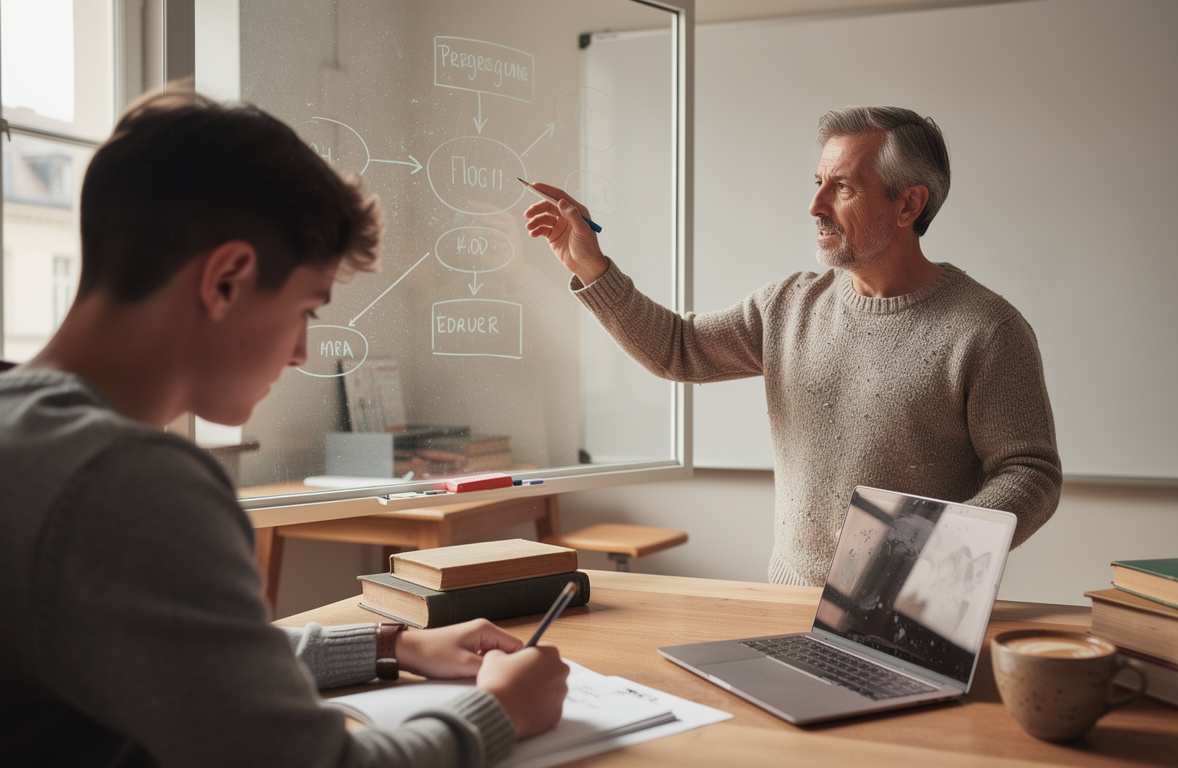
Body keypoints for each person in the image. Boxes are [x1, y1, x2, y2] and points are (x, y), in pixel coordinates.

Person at [0, 86, 568, 767]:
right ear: (227, 279)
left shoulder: (28, 438)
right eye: (308, 309)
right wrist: (501, 712)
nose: (301, 352)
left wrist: (391, 645)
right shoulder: (126, 484)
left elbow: (182, 655)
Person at [524, 106, 1062, 587]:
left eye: (843, 187)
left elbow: (1029, 472)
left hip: (913, 611)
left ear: (908, 205)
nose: (814, 205)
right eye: (817, 182)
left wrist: (935, 549)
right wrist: (593, 268)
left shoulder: (987, 329)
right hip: (784, 599)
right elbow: (677, 348)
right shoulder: (789, 305)